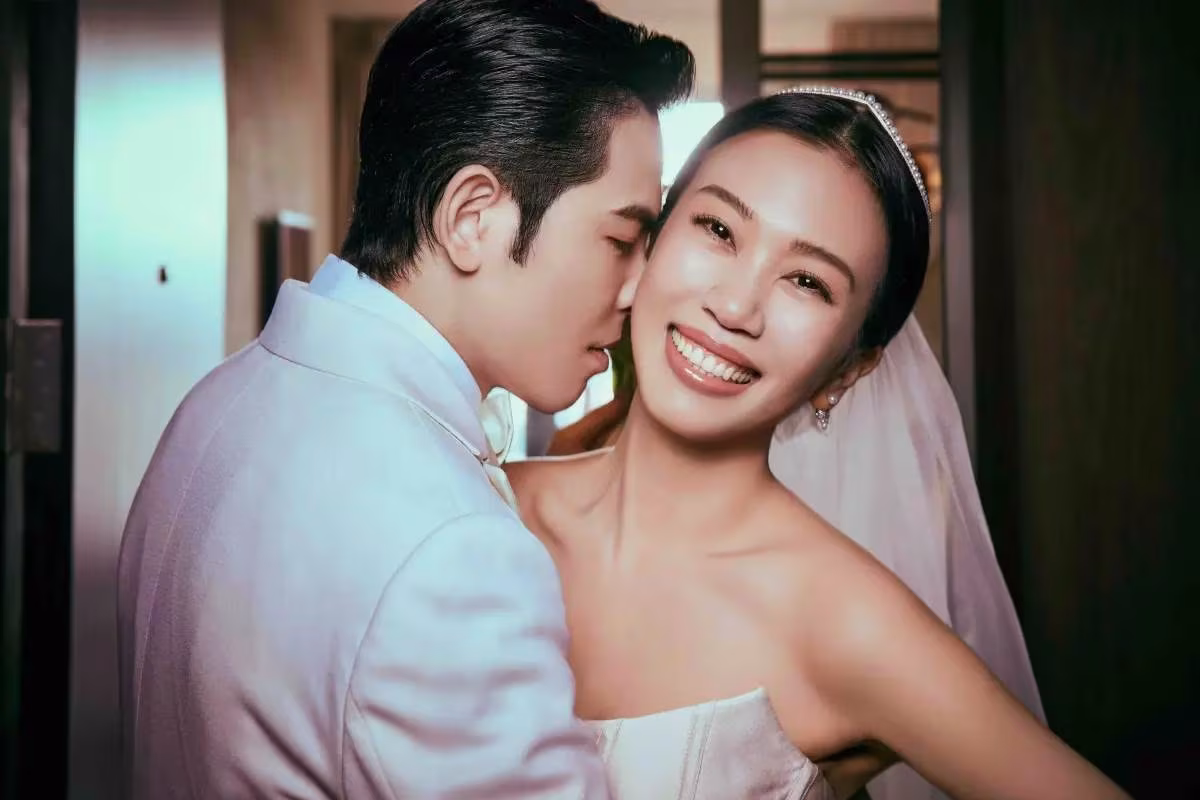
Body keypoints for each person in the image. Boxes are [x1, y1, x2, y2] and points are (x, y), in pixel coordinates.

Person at [115, 0, 693, 796]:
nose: (638, 289)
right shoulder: (453, 551)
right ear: (473, 217)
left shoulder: (215, 403)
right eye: (621, 240)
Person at [507, 88, 1129, 799]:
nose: (735, 307)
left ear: (849, 369)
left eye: (807, 281)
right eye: (718, 229)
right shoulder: (484, 505)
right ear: (653, 239)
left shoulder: (851, 626)